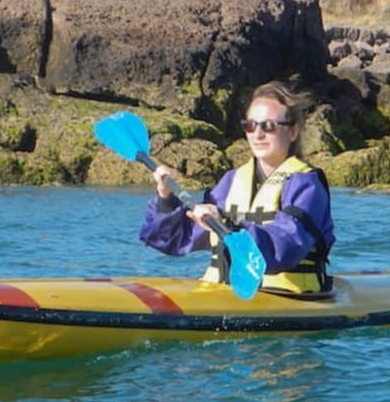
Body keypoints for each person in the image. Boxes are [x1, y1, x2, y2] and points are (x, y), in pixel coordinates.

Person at [139, 81, 335, 295]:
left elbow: (287, 245)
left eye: (269, 126)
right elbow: (174, 240)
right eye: (250, 125)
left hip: (288, 297)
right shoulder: (231, 181)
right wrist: (165, 197)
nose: (258, 134)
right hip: (222, 293)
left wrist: (228, 224)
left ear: (293, 132)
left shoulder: (306, 185)